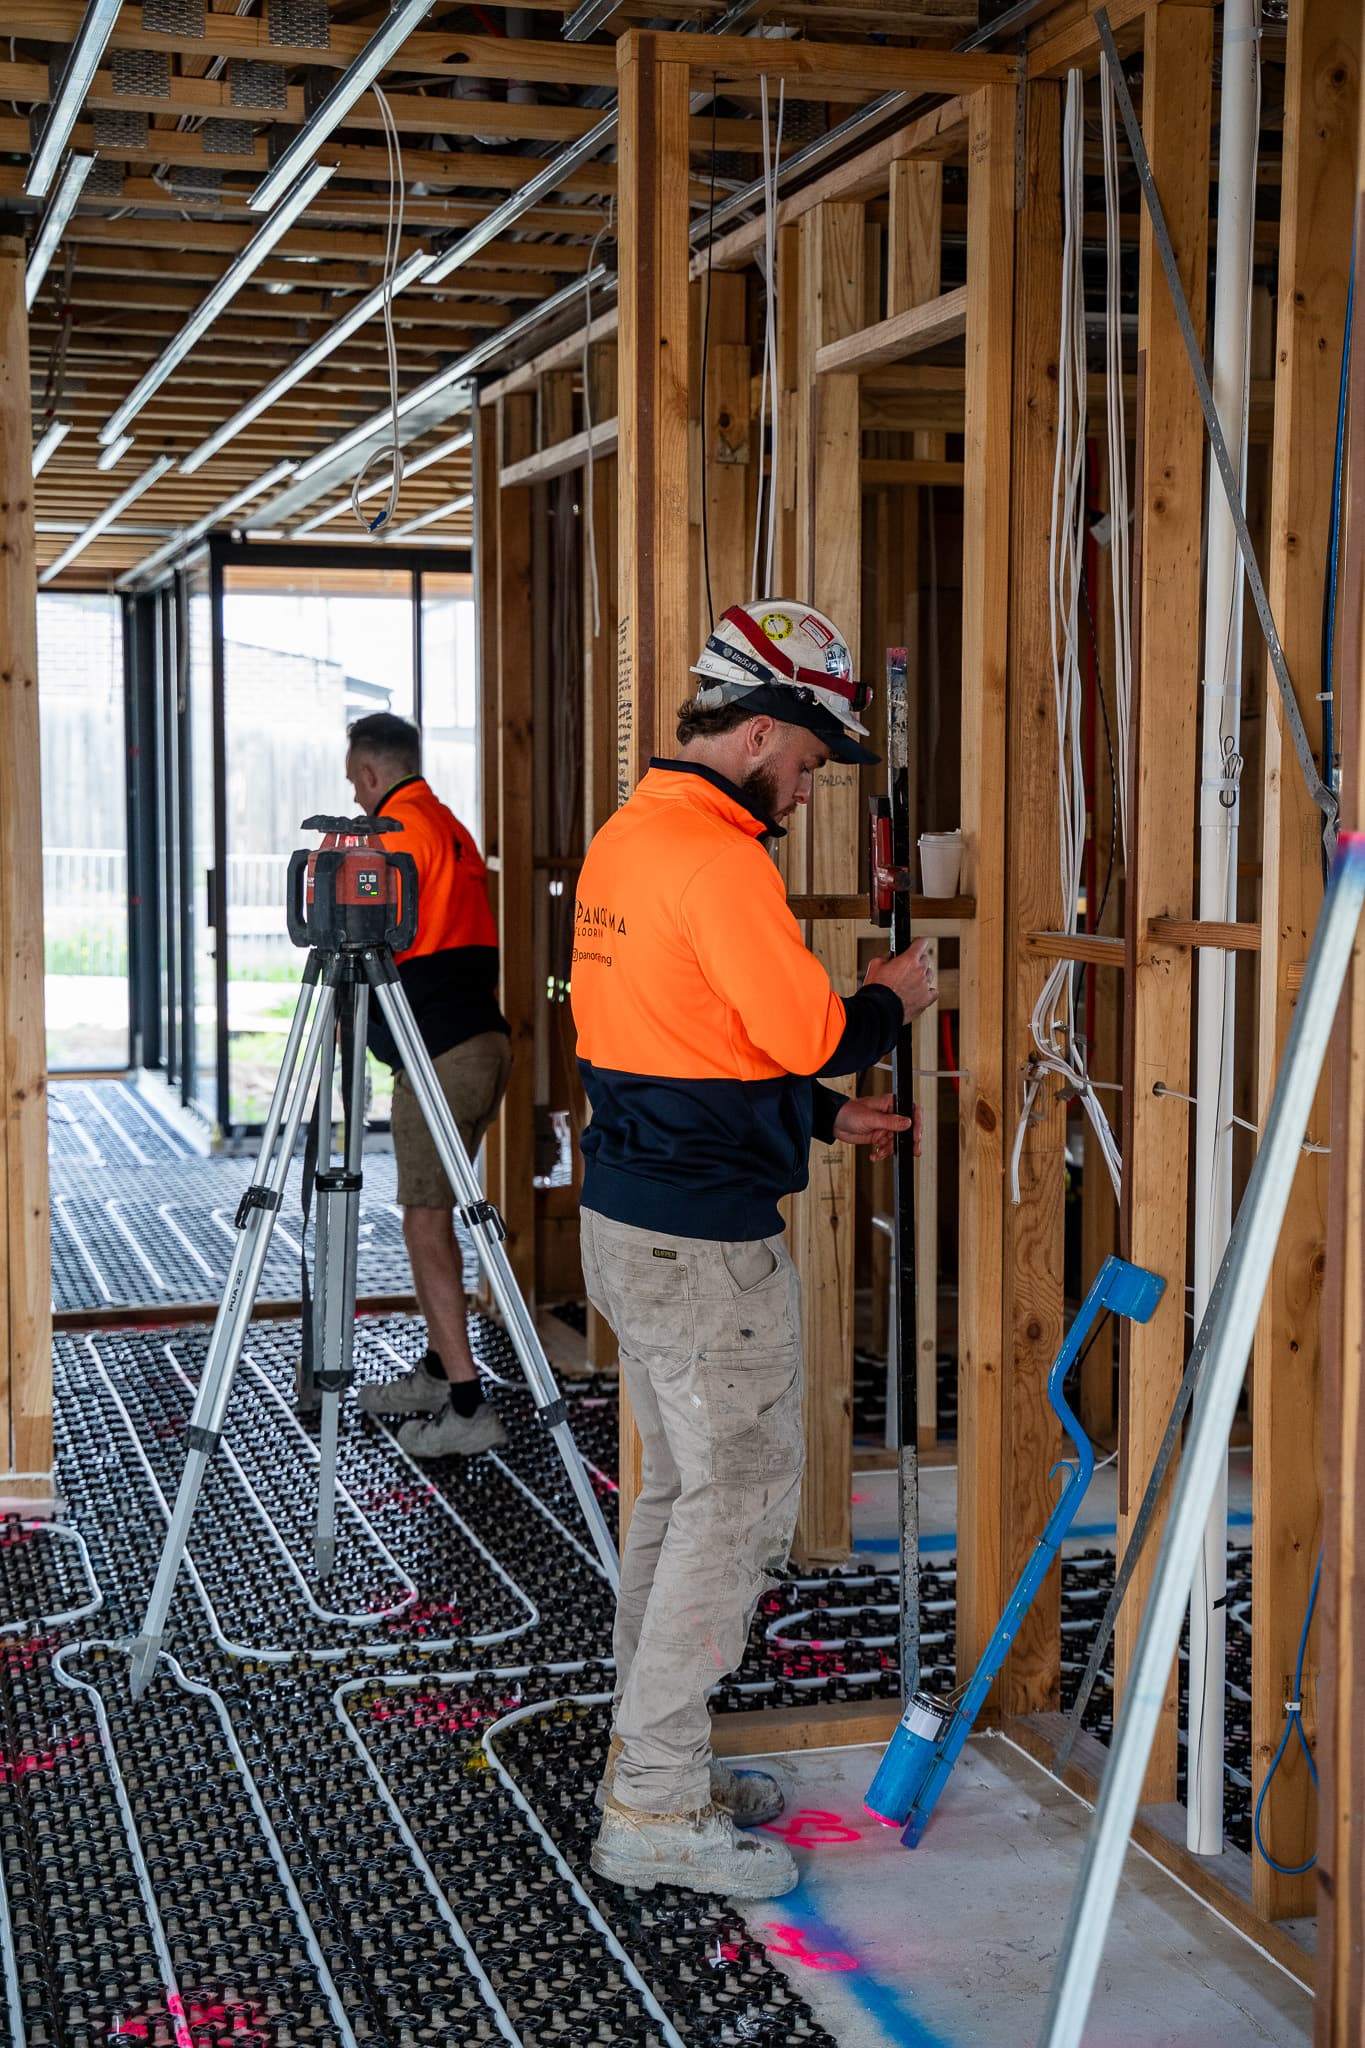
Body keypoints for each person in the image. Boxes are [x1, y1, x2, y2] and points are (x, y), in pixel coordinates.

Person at [571, 600, 938, 1900]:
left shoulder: (633, 835)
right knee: (734, 1510)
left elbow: (679, 1052)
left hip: (629, 1213)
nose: (808, 779)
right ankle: (653, 1812)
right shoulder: (720, 858)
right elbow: (811, 1030)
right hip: (704, 1246)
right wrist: (896, 996)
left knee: (679, 1498)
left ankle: (648, 1767)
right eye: (810, 755)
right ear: (764, 728)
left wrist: (825, 1120)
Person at [343, 712, 513, 1458]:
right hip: (483, 1043)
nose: (354, 800)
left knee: (424, 1216)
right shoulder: (446, 824)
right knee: (439, 1208)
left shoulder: (391, 834)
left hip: (435, 1052)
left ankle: (469, 1405)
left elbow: (368, 937)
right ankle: (440, 1369)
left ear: (373, 776)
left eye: (355, 785)